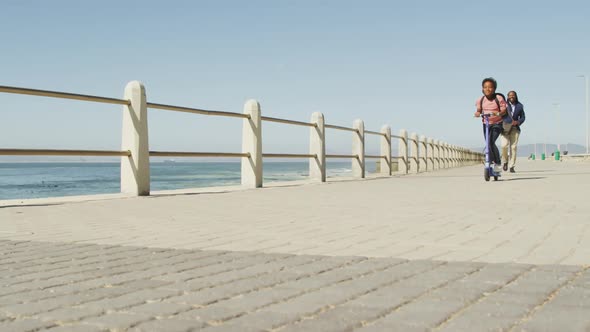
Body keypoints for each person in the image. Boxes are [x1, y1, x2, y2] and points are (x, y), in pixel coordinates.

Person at [474, 77, 507, 173]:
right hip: (486, 123)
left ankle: (497, 162)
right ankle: (490, 160)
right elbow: (479, 110)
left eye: (490, 87)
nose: (487, 89)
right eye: (485, 87)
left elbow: (504, 110)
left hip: (497, 123)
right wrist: (477, 113)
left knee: (491, 142)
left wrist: (499, 113)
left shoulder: (498, 98)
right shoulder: (481, 100)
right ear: (482, 88)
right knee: (488, 143)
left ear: (494, 89)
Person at [501, 90, 526, 173]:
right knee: (504, 146)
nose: (511, 97)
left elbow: (523, 117)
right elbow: (499, 115)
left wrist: (518, 122)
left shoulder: (520, 106)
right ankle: (505, 162)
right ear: (507, 97)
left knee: (513, 148)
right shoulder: (503, 105)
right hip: (505, 128)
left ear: (516, 96)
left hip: (515, 129)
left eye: (513, 95)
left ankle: (512, 166)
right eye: (510, 95)